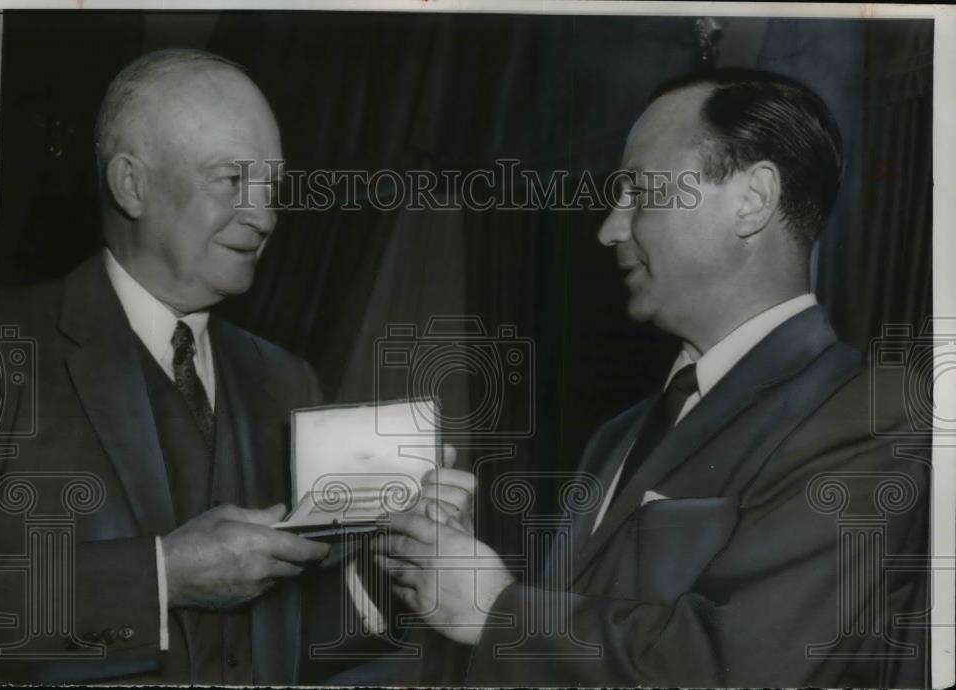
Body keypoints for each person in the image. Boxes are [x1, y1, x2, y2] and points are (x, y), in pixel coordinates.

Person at [373, 68, 931, 687]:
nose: (609, 228)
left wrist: (493, 610)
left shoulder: (874, 416)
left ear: (752, 199)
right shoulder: (618, 435)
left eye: (637, 192)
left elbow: (747, 669)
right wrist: (445, 568)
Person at [0, 48, 471, 685]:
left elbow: (275, 645)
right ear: (132, 184)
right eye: (231, 180)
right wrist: (164, 575)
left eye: (272, 185)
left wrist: (382, 574)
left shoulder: (287, 379)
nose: (264, 216)